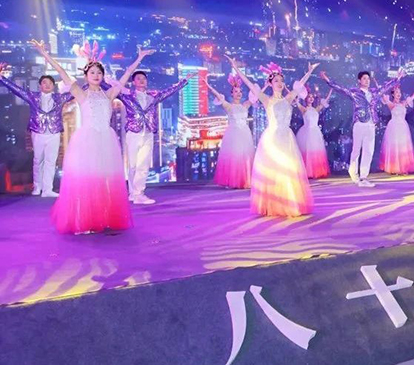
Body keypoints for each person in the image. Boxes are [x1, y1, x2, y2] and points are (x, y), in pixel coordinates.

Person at [30, 39, 152, 234]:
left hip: (106, 141)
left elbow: (125, 76)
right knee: (85, 182)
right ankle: (82, 221)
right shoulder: (80, 93)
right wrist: (44, 53)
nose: (96, 75)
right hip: (87, 141)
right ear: (86, 76)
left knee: (105, 181)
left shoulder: (109, 94)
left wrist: (139, 58)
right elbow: (61, 71)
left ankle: (103, 217)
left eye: (99, 73)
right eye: (92, 72)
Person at [231, 56, 315, 217]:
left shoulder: (288, 98)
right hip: (273, 138)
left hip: (287, 139)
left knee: (288, 171)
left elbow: (300, 85)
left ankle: (289, 203)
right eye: (276, 81)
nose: (280, 83)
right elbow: (249, 84)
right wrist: (235, 68)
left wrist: (310, 71)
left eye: (281, 80)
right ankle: (274, 204)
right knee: (274, 171)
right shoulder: (266, 100)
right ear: (270, 83)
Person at [115, 69, 191, 205]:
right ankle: (132, 193)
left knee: (143, 165)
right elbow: (111, 89)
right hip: (133, 133)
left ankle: (139, 193)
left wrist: (184, 81)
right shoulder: (127, 96)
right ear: (133, 82)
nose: (141, 81)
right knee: (132, 166)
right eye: (138, 79)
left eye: (143, 78)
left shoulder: (153, 95)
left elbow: (169, 91)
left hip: (148, 133)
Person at [0, 63, 73, 197]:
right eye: (44, 83)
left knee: (51, 161)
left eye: (50, 83)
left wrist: (91, 82)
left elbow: (76, 92)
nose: (47, 85)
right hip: (38, 132)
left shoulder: (59, 98)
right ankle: (37, 187)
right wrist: (1, 78)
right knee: (38, 160)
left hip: (54, 132)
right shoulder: (33, 96)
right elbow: (16, 89)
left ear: (53, 85)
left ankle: (47, 189)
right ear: (40, 86)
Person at [321, 69, 402, 187]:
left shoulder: (374, 92)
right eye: (364, 78)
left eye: (368, 79)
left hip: (371, 124)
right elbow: (340, 88)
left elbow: (385, 87)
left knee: (369, 151)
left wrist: (397, 78)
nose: (367, 81)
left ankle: (363, 177)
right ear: (359, 80)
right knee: (356, 150)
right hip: (359, 123)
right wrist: (327, 79)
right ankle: (354, 174)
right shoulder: (355, 92)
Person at [206, 74, 255, 188]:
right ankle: (234, 181)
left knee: (245, 157)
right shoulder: (228, 106)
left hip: (245, 133)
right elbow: (218, 95)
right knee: (235, 156)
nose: (238, 93)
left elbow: (257, 95)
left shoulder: (245, 105)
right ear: (231, 93)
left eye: (240, 91)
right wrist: (208, 85)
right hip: (234, 134)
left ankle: (244, 180)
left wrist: (266, 85)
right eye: (236, 91)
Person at [380, 81, 414, 175]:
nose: (399, 94)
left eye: (399, 92)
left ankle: (403, 167)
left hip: (403, 127)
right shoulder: (391, 104)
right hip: (394, 127)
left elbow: (413, 96)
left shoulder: (404, 103)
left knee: (403, 147)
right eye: (396, 92)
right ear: (393, 94)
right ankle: (395, 168)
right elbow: (382, 93)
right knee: (395, 147)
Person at [296, 88, 333, 179]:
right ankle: (307, 172)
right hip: (307, 133)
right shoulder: (304, 109)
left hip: (315, 133)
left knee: (316, 152)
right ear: (305, 98)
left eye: (312, 97)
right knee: (308, 152)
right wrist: (296, 92)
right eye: (309, 97)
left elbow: (325, 101)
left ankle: (316, 171)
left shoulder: (316, 109)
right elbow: (295, 101)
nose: (311, 98)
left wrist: (330, 90)